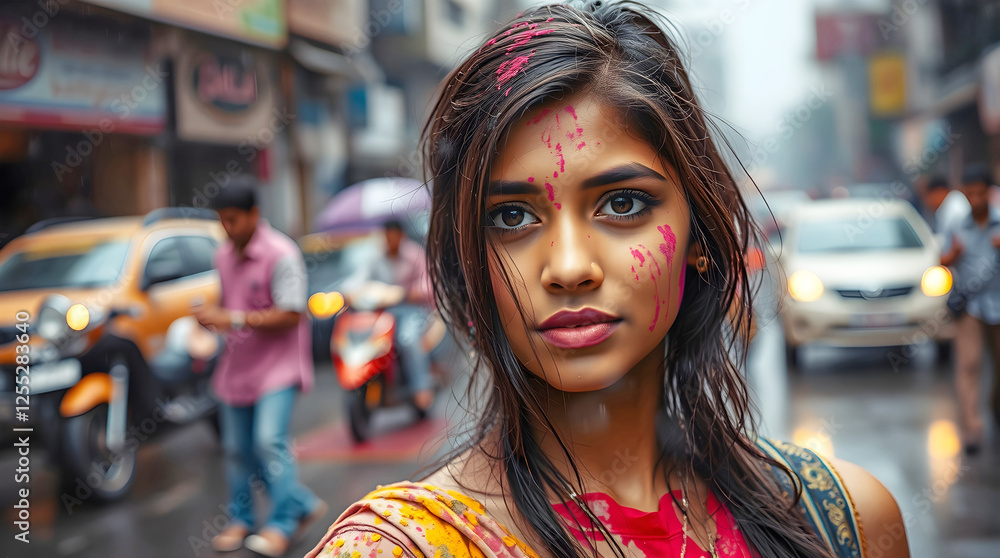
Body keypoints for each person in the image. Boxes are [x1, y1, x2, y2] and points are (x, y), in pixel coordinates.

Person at [307, 4, 907, 558]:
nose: (569, 267)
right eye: (512, 217)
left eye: (622, 204)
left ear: (699, 234)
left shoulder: (843, 519)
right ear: (470, 259)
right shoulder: (399, 548)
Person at [196, 179, 327, 556]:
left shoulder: (282, 253)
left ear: (255, 215)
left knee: (268, 442)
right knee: (237, 449)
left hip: (279, 368)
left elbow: (291, 314)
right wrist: (210, 323)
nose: (227, 228)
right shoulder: (222, 255)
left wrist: (233, 319)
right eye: (222, 220)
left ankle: (285, 522)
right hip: (236, 367)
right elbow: (225, 305)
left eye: (233, 219)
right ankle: (245, 518)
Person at [343, 219, 435, 411]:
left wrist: (409, 293)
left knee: (408, 340)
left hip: (413, 310)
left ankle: (421, 387)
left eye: (394, 236)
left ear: (401, 236)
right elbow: (359, 279)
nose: (390, 240)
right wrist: (348, 293)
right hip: (383, 312)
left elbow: (429, 284)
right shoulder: (375, 257)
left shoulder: (415, 254)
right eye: (387, 236)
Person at [940, 162, 1000, 454]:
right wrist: (952, 255)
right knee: (969, 366)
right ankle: (972, 428)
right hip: (970, 307)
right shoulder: (954, 222)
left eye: (980, 193)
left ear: (990, 192)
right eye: (969, 194)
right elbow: (940, 259)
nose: (975, 199)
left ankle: (995, 407)